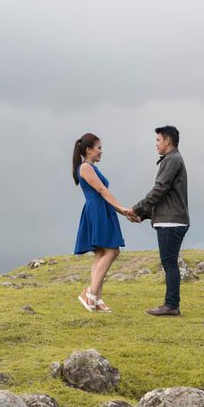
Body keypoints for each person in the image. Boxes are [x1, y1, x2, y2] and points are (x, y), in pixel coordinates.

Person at [128, 125, 190, 316]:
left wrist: (137, 209)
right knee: (169, 262)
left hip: (172, 222)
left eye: (158, 140)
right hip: (171, 220)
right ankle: (171, 304)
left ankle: (171, 305)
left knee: (169, 263)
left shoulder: (171, 160)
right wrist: (144, 215)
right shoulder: (172, 160)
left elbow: (159, 190)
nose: (156, 144)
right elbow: (164, 196)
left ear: (167, 141)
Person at [72, 133, 133, 313]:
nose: (101, 152)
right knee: (112, 251)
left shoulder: (91, 167)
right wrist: (121, 208)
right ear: (89, 150)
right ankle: (89, 293)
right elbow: (101, 189)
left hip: (101, 209)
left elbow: (102, 192)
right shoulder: (85, 167)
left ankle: (96, 298)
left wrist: (121, 211)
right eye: (99, 148)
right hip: (97, 211)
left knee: (100, 254)